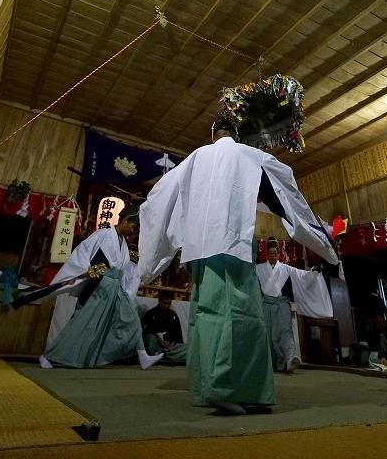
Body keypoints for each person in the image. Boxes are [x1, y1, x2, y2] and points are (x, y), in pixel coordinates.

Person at [138, 114, 338, 415]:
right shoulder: (251, 155)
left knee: (207, 317)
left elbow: (157, 201)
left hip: (201, 254)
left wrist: (152, 261)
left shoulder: (194, 158)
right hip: (234, 248)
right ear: (236, 134)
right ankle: (229, 388)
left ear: (212, 135)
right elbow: (286, 197)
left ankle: (225, 390)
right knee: (243, 319)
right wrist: (323, 244)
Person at [18, 205, 163, 370]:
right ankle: (48, 355)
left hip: (115, 288)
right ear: (125, 221)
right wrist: (85, 272)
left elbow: (123, 268)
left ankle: (142, 355)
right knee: (82, 324)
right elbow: (83, 253)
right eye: (133, 227)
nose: (133, 231)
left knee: (131, 318)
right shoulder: (103, 235)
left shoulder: (123, 243)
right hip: (99, 287)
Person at [256, 237, 334, 373]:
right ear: (267, 254)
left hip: (282, 304)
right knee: (268, 334)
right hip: (266, 304)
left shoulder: (286, 269)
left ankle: (290, 358)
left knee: (286, 331)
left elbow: (302, 276)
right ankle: (273, 363)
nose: (272, 255)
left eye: (275, 253)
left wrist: (313, 273)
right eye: (270, 253)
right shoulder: (260, 268)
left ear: (278, 253)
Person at [141, 290, 187, 362]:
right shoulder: (150, 314)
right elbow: (146, 332)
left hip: (170, 348)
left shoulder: (173, 315)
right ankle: (166, 355)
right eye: (164, 303)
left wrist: (172, 343)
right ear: (159, 301)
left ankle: (163, 355)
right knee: (150, 339)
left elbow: (178, 335)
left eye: (169, 304)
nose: (166, 306)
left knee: (188, 347)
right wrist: (160, 341)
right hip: (157, 344)